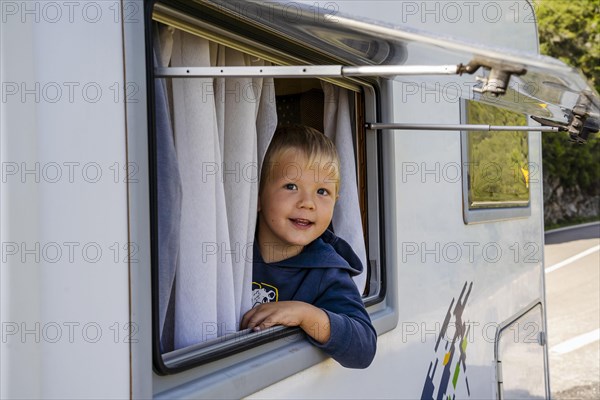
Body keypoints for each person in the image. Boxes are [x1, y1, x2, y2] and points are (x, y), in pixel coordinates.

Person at [241, 125, 377, 369]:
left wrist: (305, 314)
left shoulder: (326, 271)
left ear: (335, 202)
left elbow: (364, 347)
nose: (308, 203)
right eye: (291, 186)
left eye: (322, 191)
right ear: (257, 196)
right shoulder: (233, 254)